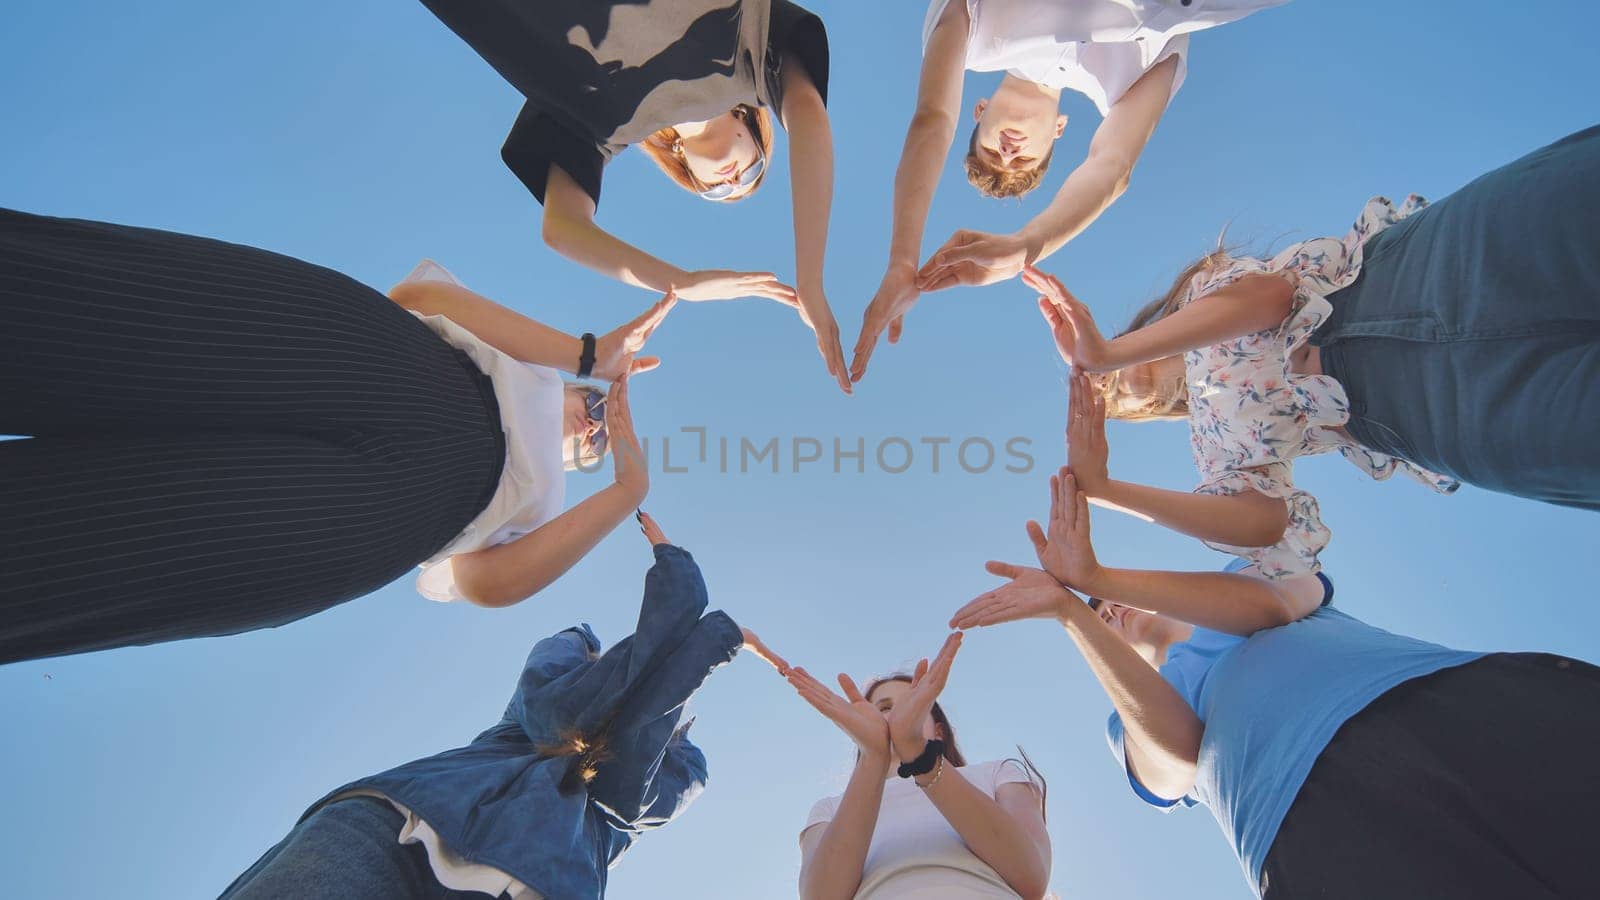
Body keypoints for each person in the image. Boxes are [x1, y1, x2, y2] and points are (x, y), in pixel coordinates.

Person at [0, 209, 668, 665]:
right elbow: (420, 300)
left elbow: (485, 587)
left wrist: (625, 490)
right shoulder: (529, 368)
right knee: (91, 312)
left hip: (381, 517)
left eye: (599, 442)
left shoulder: (542, 512)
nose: (595, 425)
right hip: (370, 355)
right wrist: (587, 357)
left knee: (83, 549)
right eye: (596, 409)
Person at [952, 467, 1600, 899]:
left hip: (1441, 707)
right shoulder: (1129, 717)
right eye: (1099, 618)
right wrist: (1071, 611)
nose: (1108, 612)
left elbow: (1274, 606)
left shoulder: (1237, 577)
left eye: (1106, 603)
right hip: (1310, 830)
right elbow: (1176, 762)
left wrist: (1098, 579)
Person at [1029, 125, 1600, 570]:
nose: (1118, 385)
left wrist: (1103, 355)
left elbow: (1271, 297)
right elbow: (1260, 523)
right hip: (1436, 412)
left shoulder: (1203, 297)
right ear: (1147, 414)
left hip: (1424, 270)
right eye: (1112, 397)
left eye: (1111, 369)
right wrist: (1105, 490)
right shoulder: (1214, 442)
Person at [220, 511, 790, 900]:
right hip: (393, 819)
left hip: (540, 878)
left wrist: (705, 641)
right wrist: (691, 627)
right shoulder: (555, 671)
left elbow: (620, 793)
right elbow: (554, 714)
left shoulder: (688, 766)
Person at [419, 0, 851, 393]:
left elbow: (563, 229)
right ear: (753, 125)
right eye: (753, 170)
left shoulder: (603, 130)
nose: (733, 180)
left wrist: (683, 283)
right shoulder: (752, 48)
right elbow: (809, 113)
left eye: (719, 190)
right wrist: (810, 280)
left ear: (687, 172)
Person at [850, 0, 1288, 383]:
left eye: (990, 150)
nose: (1006, 152)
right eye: (1021, 161)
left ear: (979, 110)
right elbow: (1112, 167)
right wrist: (1027, 245)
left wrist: (902, 260)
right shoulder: (1120, 88)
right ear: (1059, 132)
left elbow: (933, 118)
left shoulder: (974, 32)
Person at [786, 633, 1053, 899]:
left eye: (910, 704)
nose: (895, 715)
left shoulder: (997, 773)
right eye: (884, 708)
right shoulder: (830, 809)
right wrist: (873, 758)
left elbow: (1032, 876)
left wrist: (918, 753)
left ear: (939, 731)